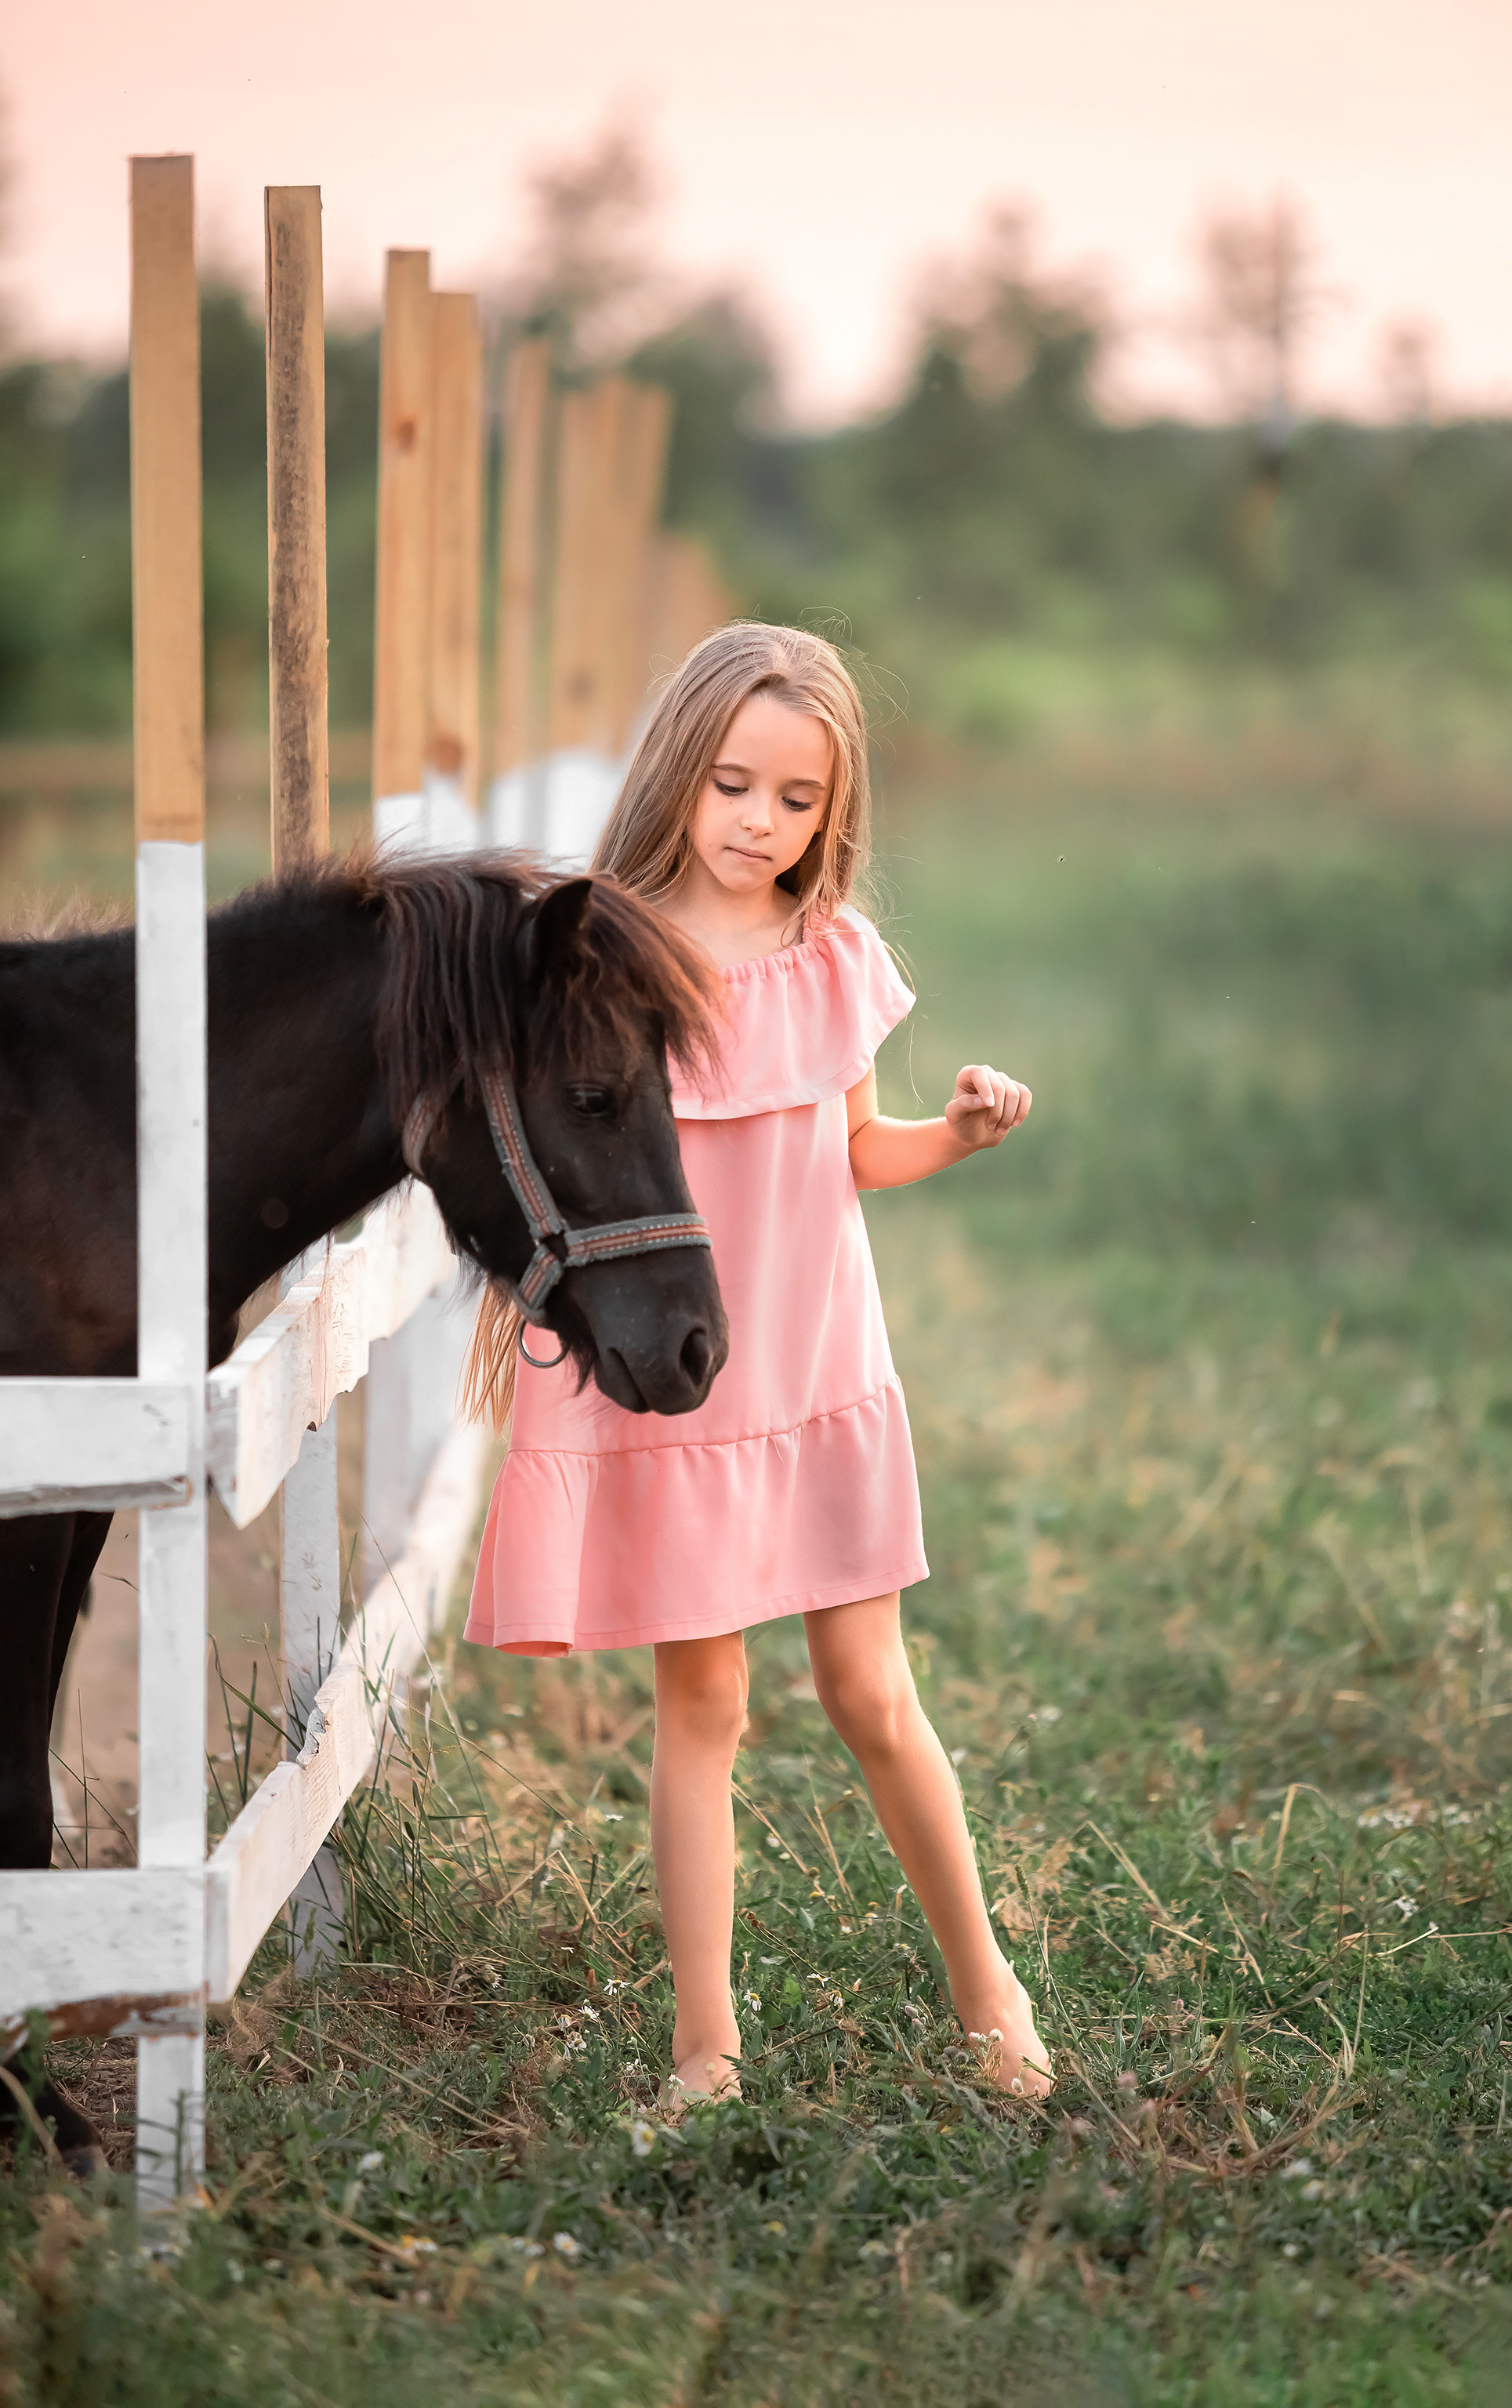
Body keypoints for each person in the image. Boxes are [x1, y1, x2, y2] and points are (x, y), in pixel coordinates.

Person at [463, 622, 1048, 2105]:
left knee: (870, 1693)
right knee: (704, 1705)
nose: (759, 824)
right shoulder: (599, 951)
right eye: (733, 786)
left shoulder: (832, 954)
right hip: (682, 1374)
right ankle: (705, 2047)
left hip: (818, 1364)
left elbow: (857, 1148)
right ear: (679, 770)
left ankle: (991, 1994)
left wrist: (957, 1134)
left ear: (832, 813)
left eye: (797, 801)